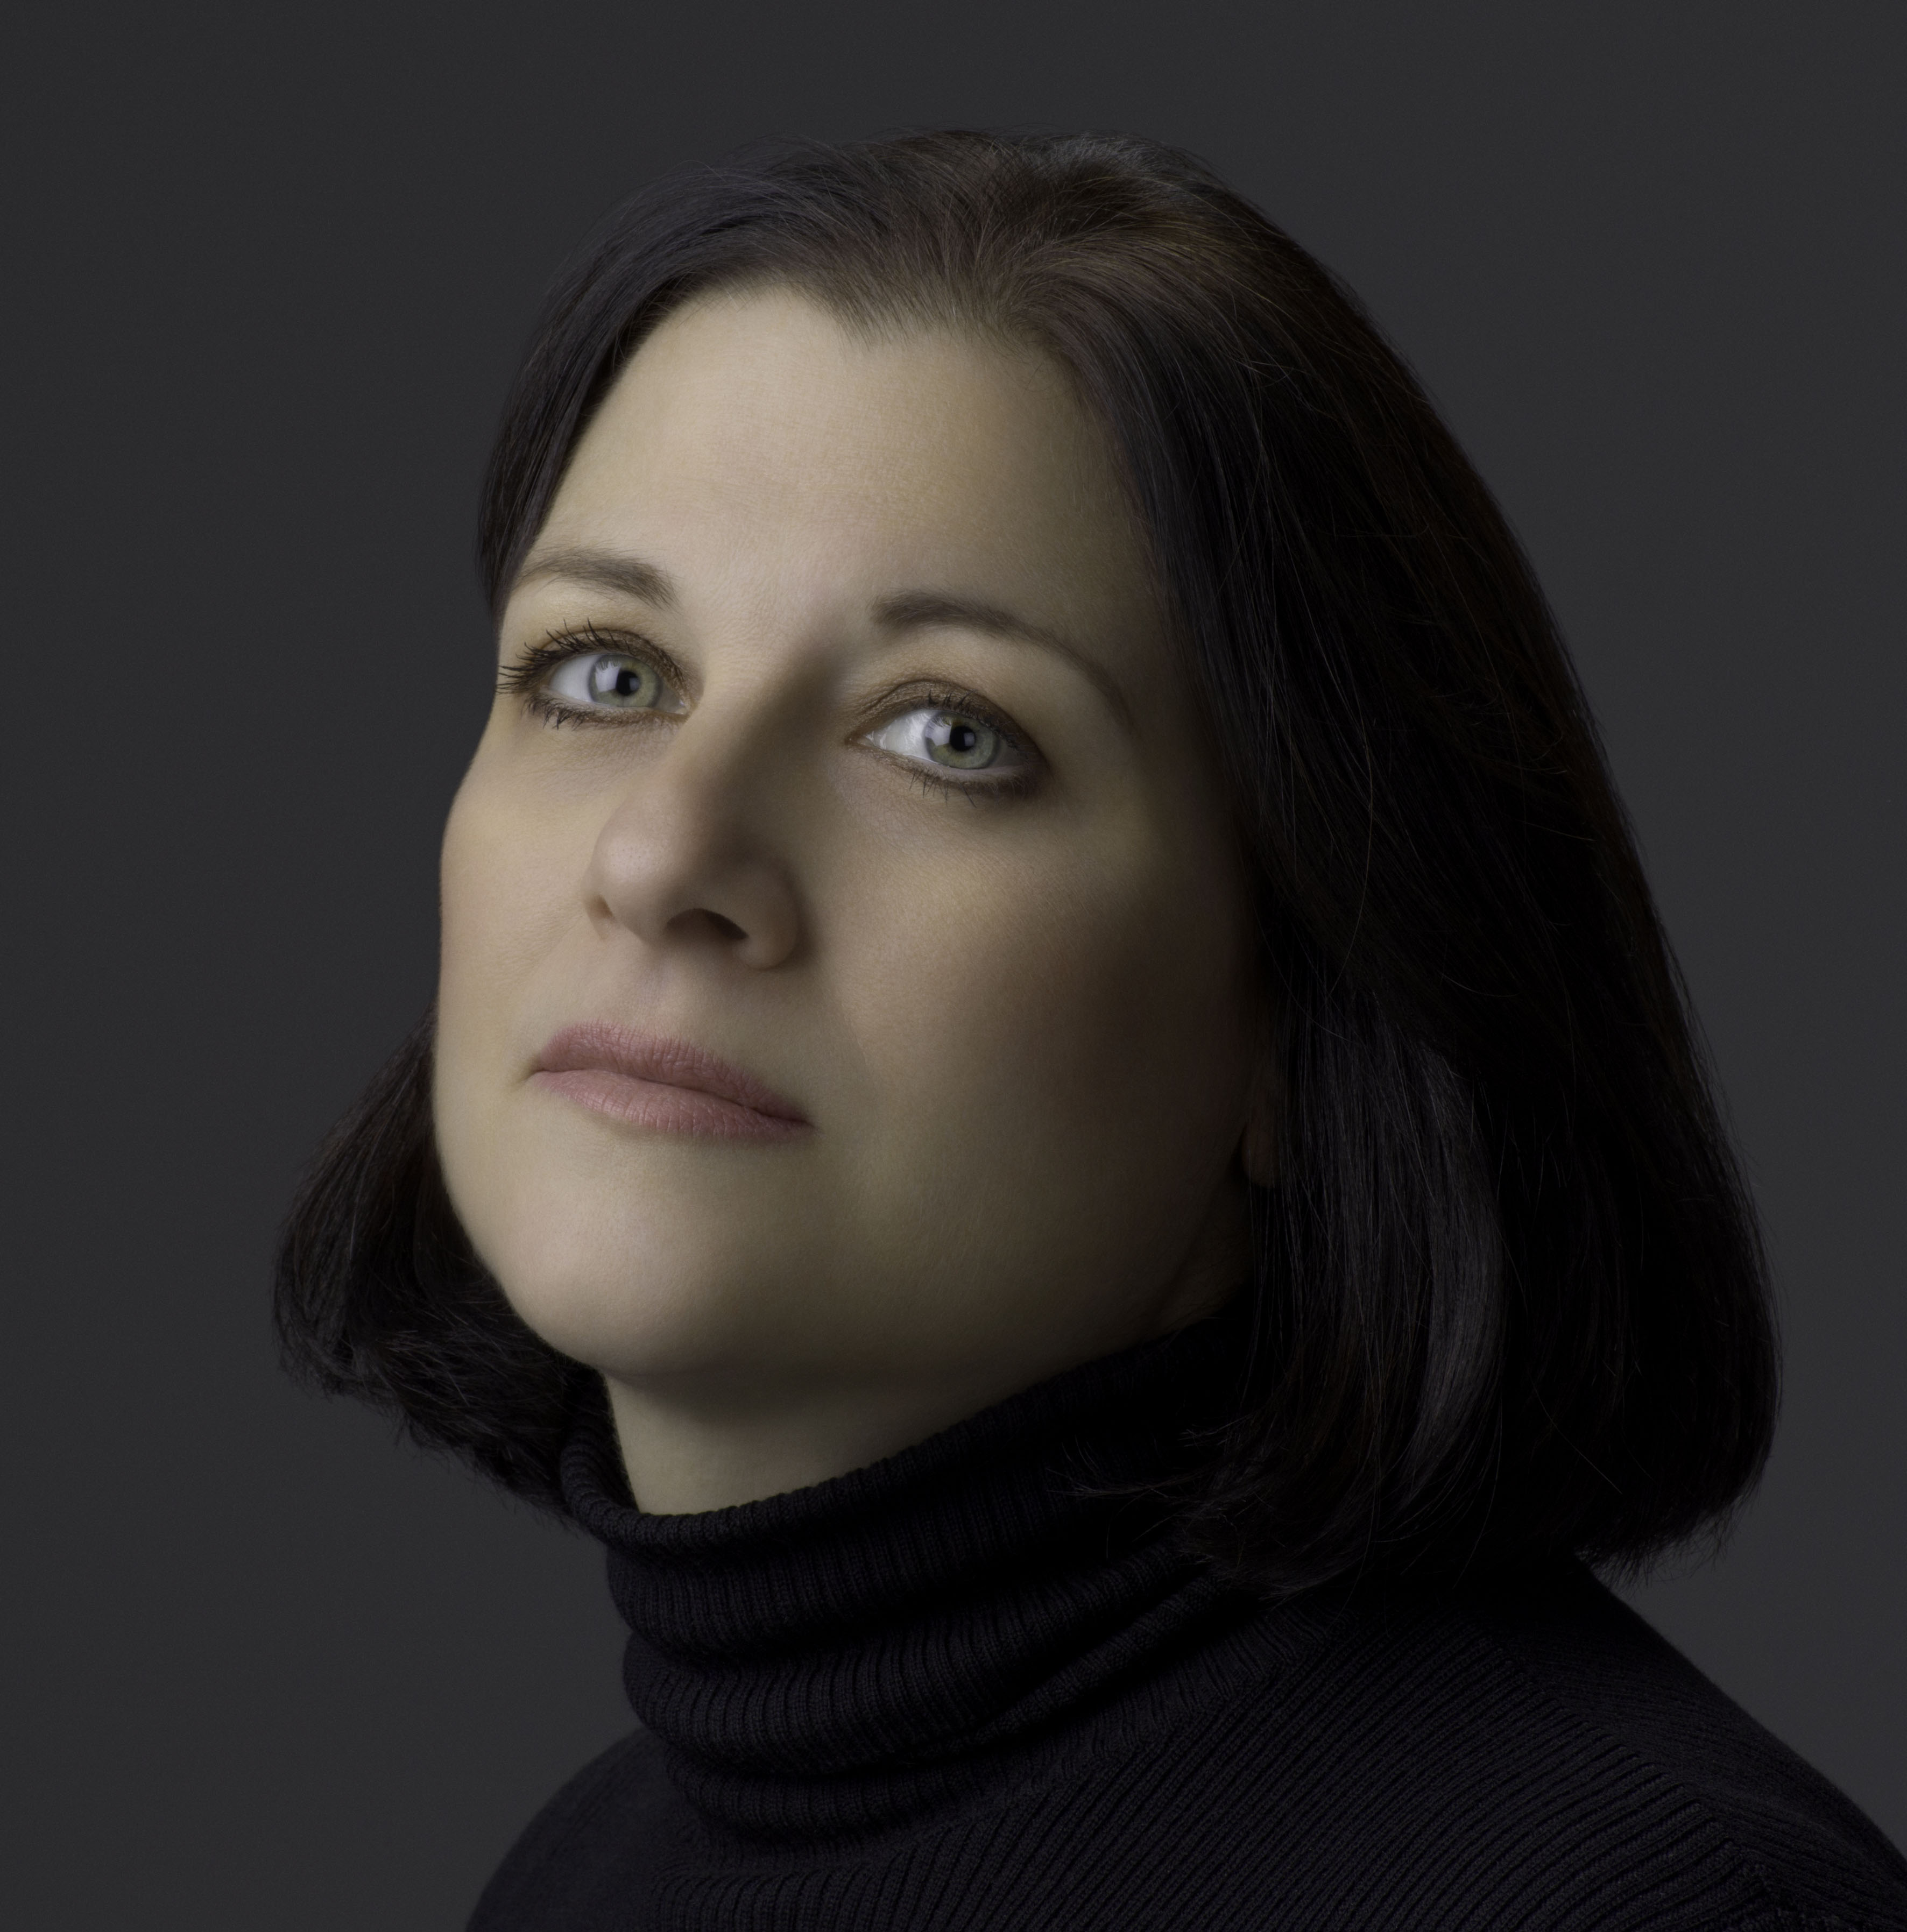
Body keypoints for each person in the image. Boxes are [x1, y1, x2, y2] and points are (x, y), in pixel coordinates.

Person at [276, 130, 1907, 1930]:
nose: (665, 856)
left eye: (951, 735)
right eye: (606, 673)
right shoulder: (581, 1879)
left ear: (1302, 1003)